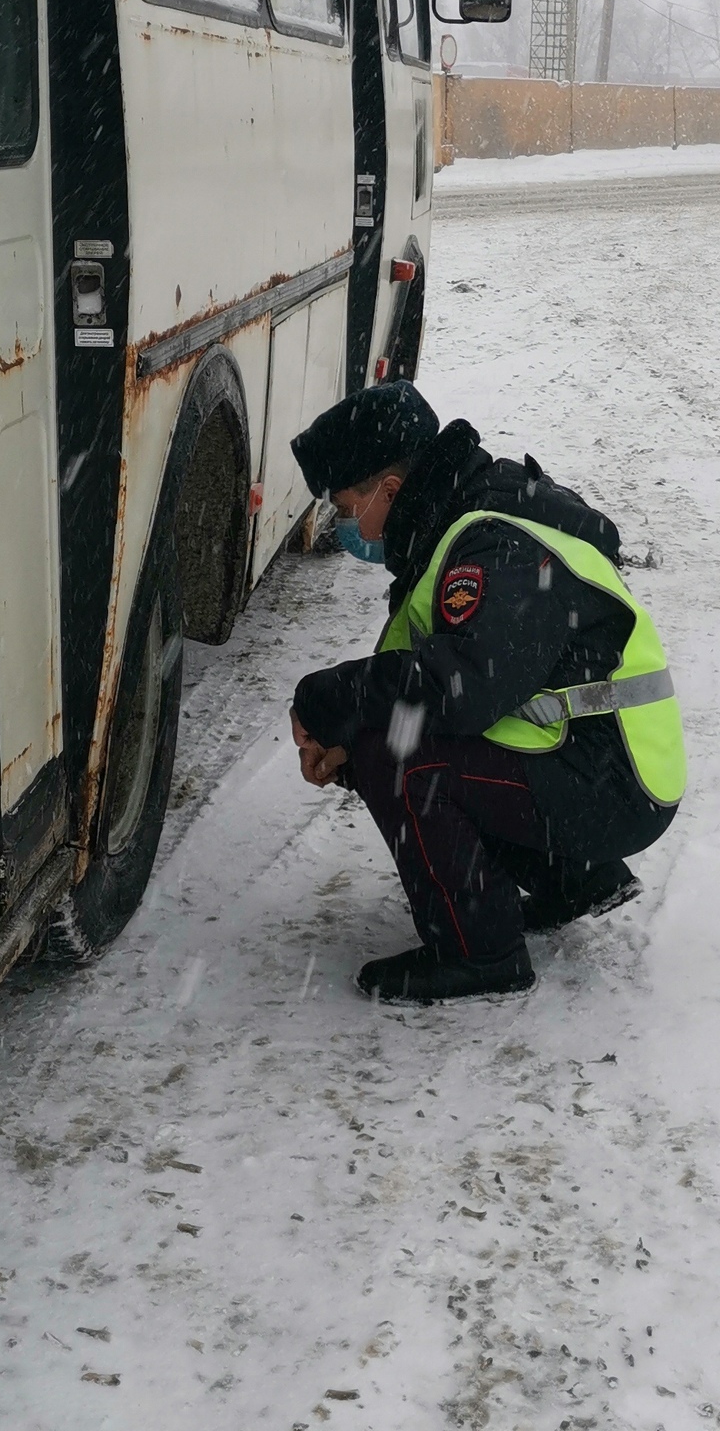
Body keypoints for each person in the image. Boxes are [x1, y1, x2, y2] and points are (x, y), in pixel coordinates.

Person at [288, 381, 685, 1004]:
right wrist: (344, 738)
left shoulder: (492, 541)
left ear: (389, 491)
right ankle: (574, 880)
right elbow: (420, 676)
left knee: (398, 756)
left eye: (345, 507)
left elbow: (459, 688)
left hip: (616, 784)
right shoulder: (458, 519)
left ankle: (480, 955)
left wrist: (333, 702)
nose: (343, 525)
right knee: (384, 730)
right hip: (603, 764)